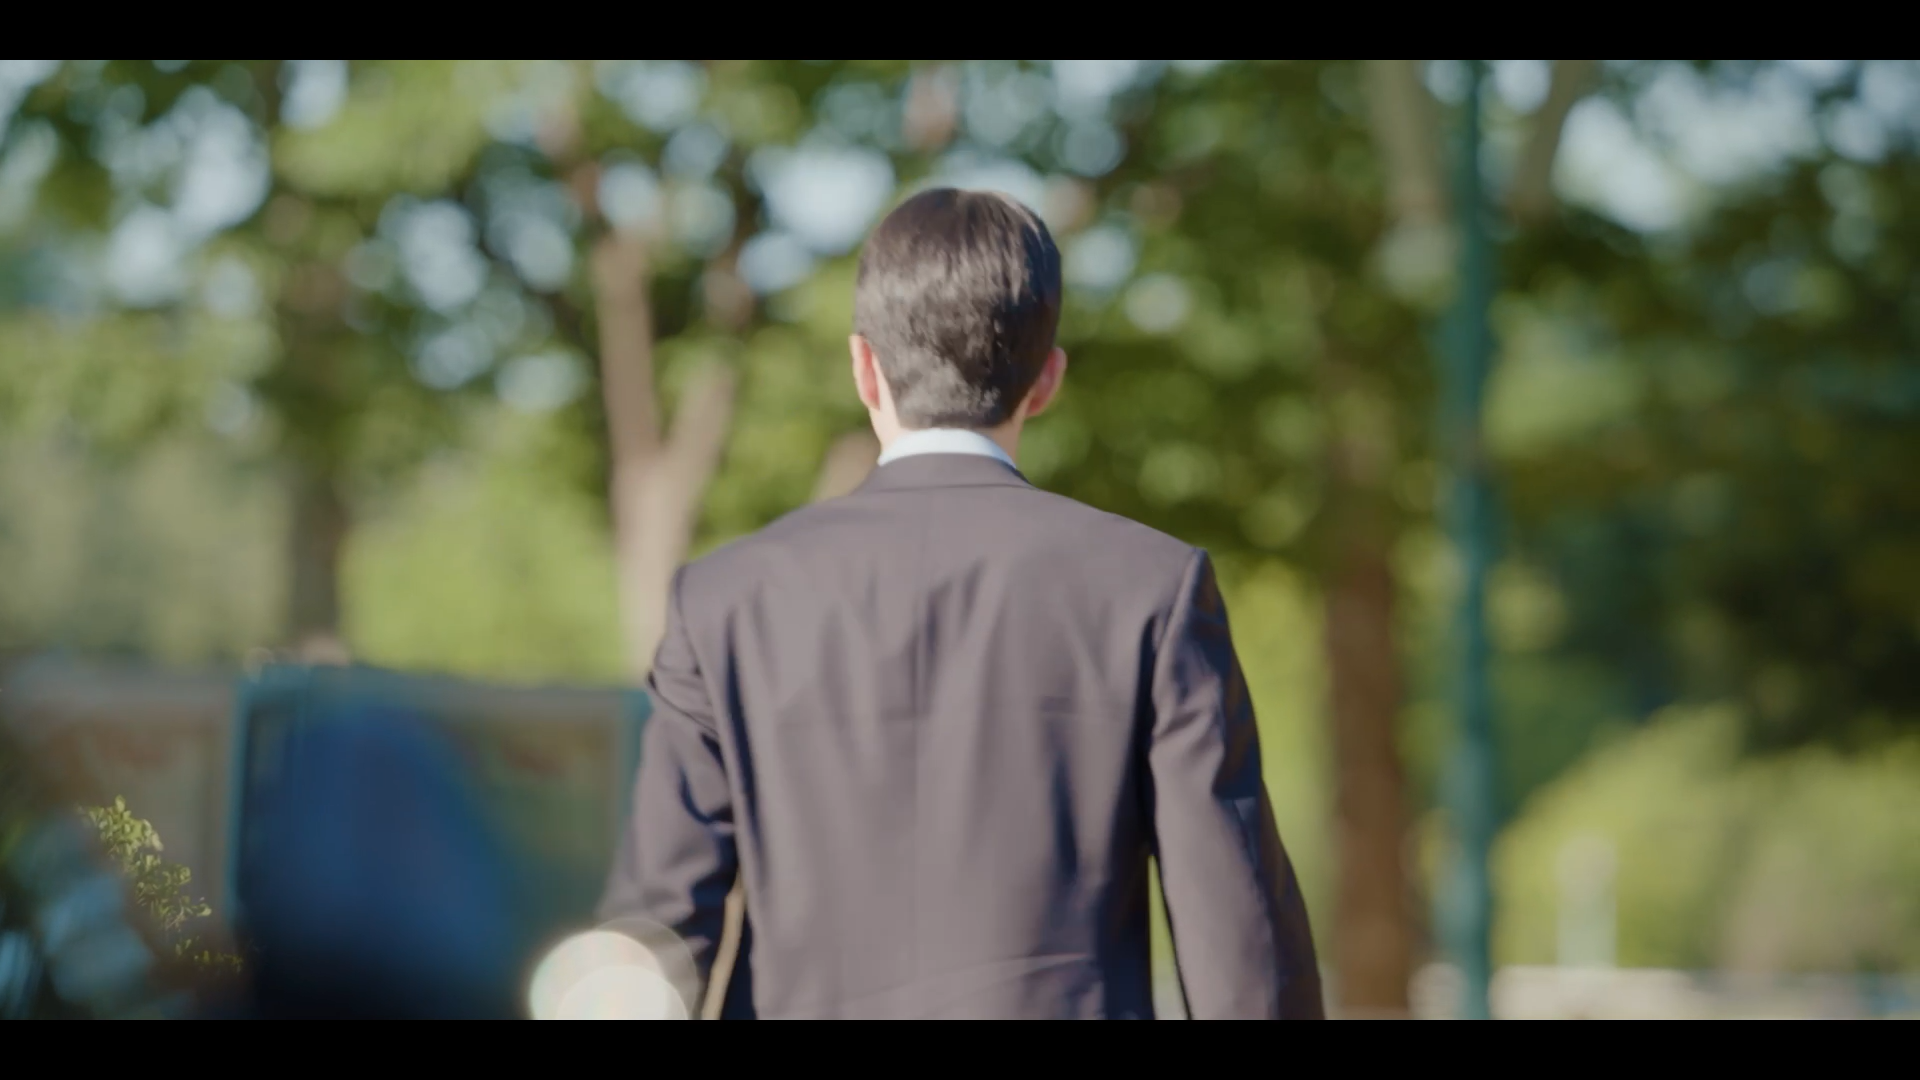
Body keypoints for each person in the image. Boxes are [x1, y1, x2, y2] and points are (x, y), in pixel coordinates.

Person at [599, 188, 1323, 1020]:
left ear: (863, 367)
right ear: (1046, 379)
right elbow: (1241, 945)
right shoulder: (1153, 588)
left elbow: (654, 941)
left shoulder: (724, 602)